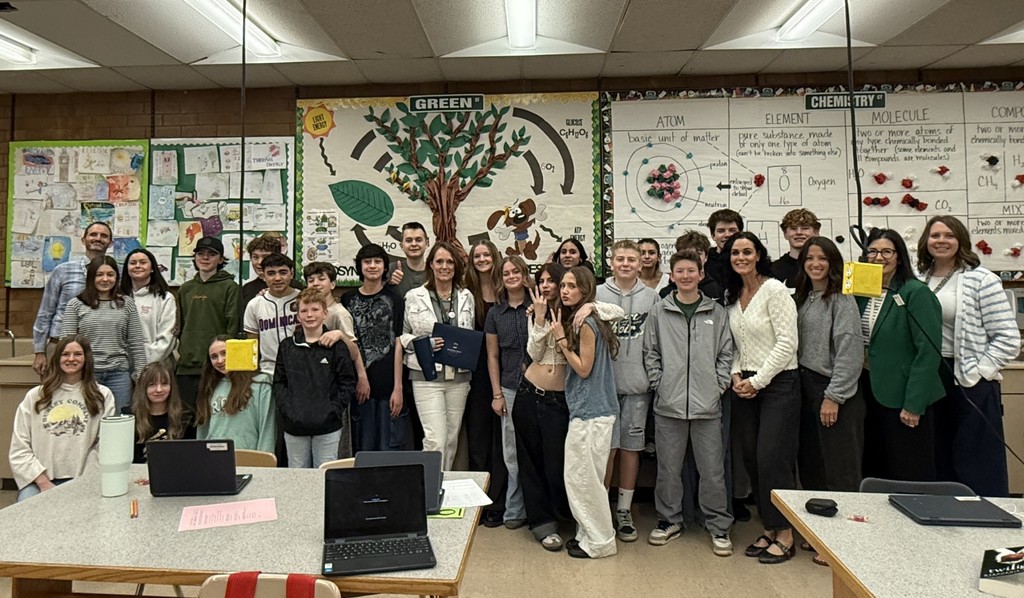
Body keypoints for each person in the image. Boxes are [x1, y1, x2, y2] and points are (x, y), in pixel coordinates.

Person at [515, 263, 624, 553]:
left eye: (560, 282)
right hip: (529, 394)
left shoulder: (582, 315)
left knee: (563, 469)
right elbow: (534, 353)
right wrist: (539, 321)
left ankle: (579, 524)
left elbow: (619, 312)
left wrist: (594, 307)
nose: (554, 287)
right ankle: (542, 524)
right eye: (546, 282)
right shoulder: (536, 312)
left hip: (562, 402)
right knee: (531, 464)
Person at [917, 216, 1020, 496]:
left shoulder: (981, 279)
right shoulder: (918, 279)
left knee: (976, 461)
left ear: (960, 240)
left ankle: (987, 529)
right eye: (935, 235)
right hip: (929, 377)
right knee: (937, 458)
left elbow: (1008, 338)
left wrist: (979, 372)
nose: (941, 241)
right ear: (926, 241)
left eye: (948, 235)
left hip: (969, 378)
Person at [644, 250, 734, 555]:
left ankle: (718, 525)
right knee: (668, 469)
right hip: (668, 406)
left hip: (707, 407)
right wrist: (660, 383)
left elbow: (725, 355)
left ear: (700, 274)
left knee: (712, 470)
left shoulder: (716, 313)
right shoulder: (659, 311)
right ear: (672, 276)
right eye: (679, 271)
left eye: (690, 271)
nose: (685, 276)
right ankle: (669, 519)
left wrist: (718, 385)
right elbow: (650, 353)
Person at [723, 231, 800, 565]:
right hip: (746, 386)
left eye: (747, 251)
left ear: (758, 255)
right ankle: (769, 527)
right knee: (753, 458)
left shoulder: (775, 290)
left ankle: (786, 533)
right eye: (735, 253)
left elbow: (787, 343)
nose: (741, 257)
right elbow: (735, 344)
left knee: (773, 457)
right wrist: (738, 376)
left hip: (779, 385)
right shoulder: (734, 295)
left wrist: (759, 380)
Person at [794, 237, 865, 565]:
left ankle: (844, 542)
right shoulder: (806, 297)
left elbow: (850, 351)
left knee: (840, 469)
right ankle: (822, 535)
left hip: (834, 391)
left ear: (833, 262)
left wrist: (833, 397)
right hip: (807, 386)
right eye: (810, 258)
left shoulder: (842, 299)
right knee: (814, 467)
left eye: (822, 258)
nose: (815, 264)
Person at [858, 228, 944, 482]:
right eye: (872, 251)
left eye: (886, 251)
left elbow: (928, 351)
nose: (879, 257)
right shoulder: (862, 291)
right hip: (869, 391)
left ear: (899, 256)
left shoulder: (914, 292)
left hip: (904, 395)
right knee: (876, 468)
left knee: (908, 469)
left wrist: (914, 404)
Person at [552, 266, 619, 559]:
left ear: (584, 290)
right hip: (585, 410)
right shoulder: (586, 318)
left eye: (571, 286)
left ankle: (601, 541)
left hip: (593, 412)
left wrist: (561, 341)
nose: (565, 290)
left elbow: (583, 368)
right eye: (563, 285)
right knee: (579, 478)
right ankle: (586, 535)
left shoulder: (588, 323)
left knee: (586, 481)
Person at [596, 240, 659, 543]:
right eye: (620, 258)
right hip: (604, 387)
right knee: (607, 450)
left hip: (637, 386)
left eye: (631, 259)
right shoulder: (596, 294)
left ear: (640, 264)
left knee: (631, 448)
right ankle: (602, 509)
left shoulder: (652, 298)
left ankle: (624, 510)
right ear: (611, 262)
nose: (625, 264)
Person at [9, 335, 115, 501]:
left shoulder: (102, 395)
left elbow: (105, 446)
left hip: (84, 479)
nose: (71, 359)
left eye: (78, 354)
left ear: (86, 358)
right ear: (57, 358)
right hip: (39, 482)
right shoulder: (36, 396)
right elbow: (19, 449)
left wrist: (84, 481)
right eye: (65, 354)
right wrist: (43, 482)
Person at [400, 241, 475, 470]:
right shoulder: (415, 296)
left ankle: (445, 489)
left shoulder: (466, 295)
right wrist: (423, 344)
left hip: (458, 378)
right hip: (426, 377)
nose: (445, 266)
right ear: (430, 264)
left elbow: (469, 332)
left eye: (450, 262)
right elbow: (402, 337)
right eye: (439, 261)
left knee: (451, 440)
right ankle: (430, 491)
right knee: (435, 440)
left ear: (456, 266)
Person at [273, 288, 356, 468]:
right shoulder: (287, 347)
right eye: (304, 310)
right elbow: (279, 383)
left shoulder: (337, 347)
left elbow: (348, 383)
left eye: (315, 310)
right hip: (295, 427)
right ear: (297, 316)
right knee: (298, 475)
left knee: (325, 475)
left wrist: (333, 410)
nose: (309, 315)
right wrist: (288, 411)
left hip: (328, 427)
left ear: (325, 313)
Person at [60, 255, 147, 412]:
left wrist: (141, 374)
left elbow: (136, 342)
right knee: (88, 418)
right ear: (91, 277)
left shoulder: (127, 304)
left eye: (110, 274)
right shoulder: (76, 304)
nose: (105, 279)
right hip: (88, 374)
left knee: (118, 420)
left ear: (117, 277)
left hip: (119, 374)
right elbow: (65, 344)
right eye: (99, 275)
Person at [341, 243, 406, 452]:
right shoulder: (348, 299)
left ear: (384, 267)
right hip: (360, 382)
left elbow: (398, 342)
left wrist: (398, 387)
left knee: (388, 447)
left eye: (377, 261)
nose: (372, 266)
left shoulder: (394, 299)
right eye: (367, 262)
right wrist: (360, 377)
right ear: (359, 267)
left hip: (388, 381)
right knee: (364, 445)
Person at [464, 239, 509, 527]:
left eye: (486, 254)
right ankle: (478, 502)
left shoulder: (508, 288)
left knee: (502, 442)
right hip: (475, 373)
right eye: (477, 256)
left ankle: (500, 502)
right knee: (478, 439)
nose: (482, 259)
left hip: (508, 370)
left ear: (495, 257)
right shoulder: (465, 292)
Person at [485, 256, 532, 531]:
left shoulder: (538, 307)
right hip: (509, 388)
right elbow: (492, 355)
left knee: (536, 448)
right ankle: (515, 508)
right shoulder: (494, 314)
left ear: (525, 276)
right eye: (506, 273)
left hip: (539, 388)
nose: (512, 276)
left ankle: (538, 507)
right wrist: (496, 394)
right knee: (511, 452)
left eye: (516, 271)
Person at [31, 222, 113, 376]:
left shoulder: (115, 274)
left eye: (104, 236)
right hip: (60, 344)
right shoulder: (62, 271)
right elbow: (46, 312)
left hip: (98, 348)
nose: (98, 238)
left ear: (110, 242)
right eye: (93, 234)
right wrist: (39, 351)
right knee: (57, 397)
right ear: (83, 240)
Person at [176, 236, 240, 409]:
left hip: (217, 365)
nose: (205, 258)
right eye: (201, 253)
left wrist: (229, 360)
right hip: (187, 366)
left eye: (211, 254)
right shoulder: (186, 288)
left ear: (220, 259)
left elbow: (232, 325)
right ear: (195, 258)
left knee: (216, 411)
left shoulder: (229, 287)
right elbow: (179, 326)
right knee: (187, 416)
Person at [195, 335, 276, 453]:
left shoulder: (260, 383)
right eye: (214, 357)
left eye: (224, 353)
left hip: (248, 457)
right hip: (214, 458)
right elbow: (202, 431)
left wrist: (264, 462)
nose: (220, 360)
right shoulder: (210, 386)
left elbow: (267, 427)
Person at [244, 253, 301, 377]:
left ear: (291, 273)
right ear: (263, 276)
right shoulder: (254, 304)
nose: (277, 278)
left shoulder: (304, 300)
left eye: (283, 272)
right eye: (271, 273)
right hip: (268, 371)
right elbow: (252, 344)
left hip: (302, 368)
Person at [126, 361, 194, 464]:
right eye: (152, 385)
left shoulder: (186, 416)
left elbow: (191, 457)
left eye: (164, 384)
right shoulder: (129, 417)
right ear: (143, 388)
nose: (159, 389)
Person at [120, 247, 176, 367]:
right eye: (133, 263)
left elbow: (167, 338)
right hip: (122, 369)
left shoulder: (165, 298)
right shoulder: (119, 298)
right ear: (127, 269)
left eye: (143, 262)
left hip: (155, 366)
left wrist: (145, 365)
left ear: (152, 269)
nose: (138, 266)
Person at [240, 233, 301, 309]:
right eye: (255, 257)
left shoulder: (294, 287)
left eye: (265, 257)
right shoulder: (247, 289)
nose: (259, 262)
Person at [771, 209, 821, 288]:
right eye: (793, 228)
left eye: (805, 228)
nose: (799, 232)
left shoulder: (826, 267)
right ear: (785, 234)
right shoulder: (774, 270)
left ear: (816, 232)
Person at [388, 221, 430, 300]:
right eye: (409, 240)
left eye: (418, 240)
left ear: (427, 243)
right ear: (401, 245)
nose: (414, 244)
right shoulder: (391, 270)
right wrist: (390, 284)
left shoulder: (435, 271)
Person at [704, 209, 743, 289]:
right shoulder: (704, 260)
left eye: (732, 230)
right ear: (713, 235)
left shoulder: (749, 260)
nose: (727, 235)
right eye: (721, 231)